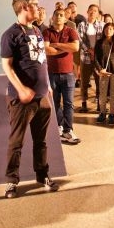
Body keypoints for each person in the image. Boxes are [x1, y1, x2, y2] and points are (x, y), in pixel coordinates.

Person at [0, 0, 59, 199]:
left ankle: (42, 176)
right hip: (21, 99)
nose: (39, 7)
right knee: (16, 142)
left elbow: (41, 61)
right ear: (24, 8)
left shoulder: (36, 30)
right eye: (35, 4)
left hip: (42, 97)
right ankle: (10, 181)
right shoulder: (10, 34)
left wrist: (48, 86)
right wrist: (22, 89)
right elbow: (6, 66)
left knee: (41, 141)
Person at [43, 8, 81, 145]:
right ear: (52, 18)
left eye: (61, 15)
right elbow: (47, 50)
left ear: (65, 19)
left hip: (68, 74)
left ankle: (68, 129)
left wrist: (57, 45)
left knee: (69, 104)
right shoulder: (47, 32)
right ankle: (59, 127)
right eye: (56, 15)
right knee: (55, 102)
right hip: (52, 73)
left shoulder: (71, 31)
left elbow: (75, 48)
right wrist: (66, 47)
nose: (59, 17)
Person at [94, 23, 114, 125]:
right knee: (102, 94)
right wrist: (99, 69)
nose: (108, 30)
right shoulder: (99, 43)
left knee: (113, 94)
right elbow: (96, 58)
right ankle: (102, 113)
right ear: (103, 30)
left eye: (111, 29)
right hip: (103, 72)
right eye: (106, 28)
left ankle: (112, 114)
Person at [76, 4, 104, 113]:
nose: (93, 12)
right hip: (85, 58)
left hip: (98, 59)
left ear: (98, 13)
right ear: (87, 12)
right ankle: (84, 104)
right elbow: (80, 40)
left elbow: (103, 40)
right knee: (84, 81)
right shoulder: (81, 25)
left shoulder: (102, 25)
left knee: (99, 81)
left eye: (95, 10)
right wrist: (89, 50)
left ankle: (98, 103)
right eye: (91, 10)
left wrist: (95, 51)